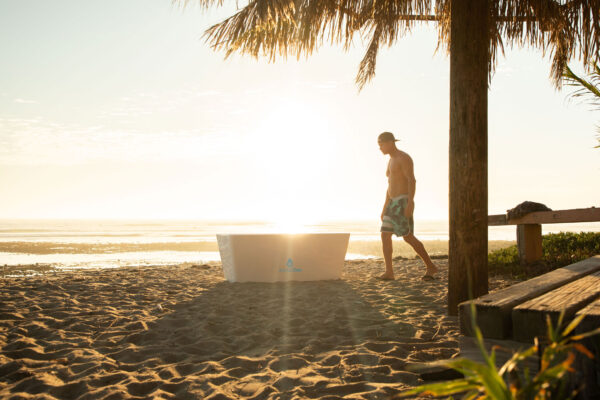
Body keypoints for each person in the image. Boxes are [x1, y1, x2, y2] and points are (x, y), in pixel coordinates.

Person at [377, 131, 438, 281]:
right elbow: (389, 184)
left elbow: (412, 180)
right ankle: (389, 272)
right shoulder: (390, 161)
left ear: (391, 142)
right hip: (392, 203)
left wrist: (410, 202)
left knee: (408, 237)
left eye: (381, 145)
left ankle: (431, 266)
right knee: (385, 235)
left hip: (403, 201)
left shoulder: (403, 158)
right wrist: (385, 205)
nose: (380, 148)